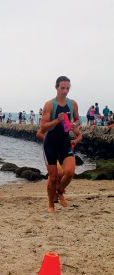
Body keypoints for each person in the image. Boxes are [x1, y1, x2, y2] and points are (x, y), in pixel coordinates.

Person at [40, 76, 81, 213]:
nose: (65, 91)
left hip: (65, 142)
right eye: (62, 88)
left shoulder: (72, 104)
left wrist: (74, 124)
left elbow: (77, 119)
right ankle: (51, 205)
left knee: (69, 172)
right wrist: (57, 121)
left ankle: (60, 191)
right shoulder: (49, 105)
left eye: (67, 88)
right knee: (52, 177)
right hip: (50, 144)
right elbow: (43, 128)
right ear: (56, 87)